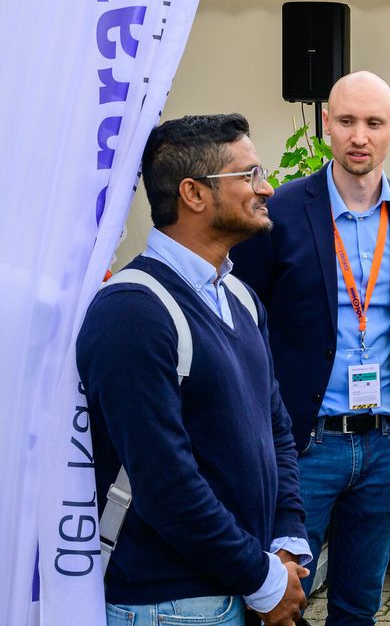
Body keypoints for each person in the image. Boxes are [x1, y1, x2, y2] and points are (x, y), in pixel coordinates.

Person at [78, 114, 309, 626]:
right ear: (194, 193)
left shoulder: (240, 296)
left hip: (241, 586)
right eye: (249, 174)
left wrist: (286, 542)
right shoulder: (132, 312)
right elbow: (166, 484)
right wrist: (262, 577)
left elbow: (276, 430)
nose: (266, 188)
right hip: (169, 604)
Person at [231, 71, 390, 626]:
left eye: (374, 123)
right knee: (279, 604)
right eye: (346, 121)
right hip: (305, 445)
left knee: (358, 607)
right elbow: (247, 323)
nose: (359, 137)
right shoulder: (278, 214)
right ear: (326, 124)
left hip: (384, 446)